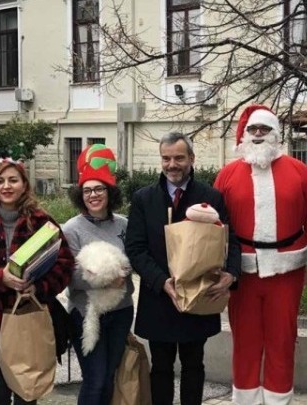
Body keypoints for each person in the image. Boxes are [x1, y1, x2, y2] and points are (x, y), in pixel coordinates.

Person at [125, 132, 241, 405]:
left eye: (178, 158)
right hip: (159, 297)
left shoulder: (210, 197)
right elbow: (135, 249)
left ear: (191, 158)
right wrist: (162, 281)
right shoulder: (144, 198)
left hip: (198, 297)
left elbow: (230, 241)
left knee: (194, 365)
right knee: (161, 368)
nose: (172, 164)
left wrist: (231, 274)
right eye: (166, 158)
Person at [214, 105, 307, 405]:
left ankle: (278, 401)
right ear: (245, 134)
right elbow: (216, 225)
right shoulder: (228, 174)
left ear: (276, 134)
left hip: (288, 268)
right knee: (245, 341)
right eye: (253, 130)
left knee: (282, 342)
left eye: (265, 130)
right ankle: (245, 400)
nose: (258, 135)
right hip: (241, 271)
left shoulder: (300, 171)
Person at [0, 156, 74, 405]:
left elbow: (64, 264)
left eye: (13, 180)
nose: (6, 186)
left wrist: (38, 286)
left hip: (27, 313)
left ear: (24, 184)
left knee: (25, 389)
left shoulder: (42, 221)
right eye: (0, 181)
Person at [62, 144, 134, 405]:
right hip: (84, 313)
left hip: (121, 311)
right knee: (95, 379)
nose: (93, 195)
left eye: (99, 189)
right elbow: (69, 276)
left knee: (110, 377)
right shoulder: (72, 229)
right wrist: (106, 278)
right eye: (87, 190)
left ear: (109, 192)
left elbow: (134, 260)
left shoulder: (125, 225)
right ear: (80, 195)